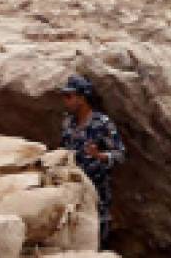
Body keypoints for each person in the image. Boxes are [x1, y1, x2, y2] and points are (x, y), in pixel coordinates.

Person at [59, 75, 127, 243]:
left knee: (96, 240)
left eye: (69, 96)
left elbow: (121, 154)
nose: (65, 101)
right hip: (73, 194)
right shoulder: (68, 123)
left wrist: (101, 156)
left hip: (98, 196)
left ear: (82, 98)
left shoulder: (102, 123)